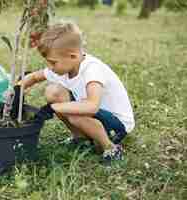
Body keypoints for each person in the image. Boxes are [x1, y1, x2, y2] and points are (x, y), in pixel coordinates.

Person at [11, 21, 135, 164]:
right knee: (53, 92)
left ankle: (110, 147)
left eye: (53, 62)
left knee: (75, 114)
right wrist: (19, 88)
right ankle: (81, 139)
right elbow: (34, 77)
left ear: (73, 56)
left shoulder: (92, 71)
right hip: (95, 115)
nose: (50, 67)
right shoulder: (65, 67)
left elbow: (92, 106)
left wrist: (52, 108)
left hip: (117, 125)